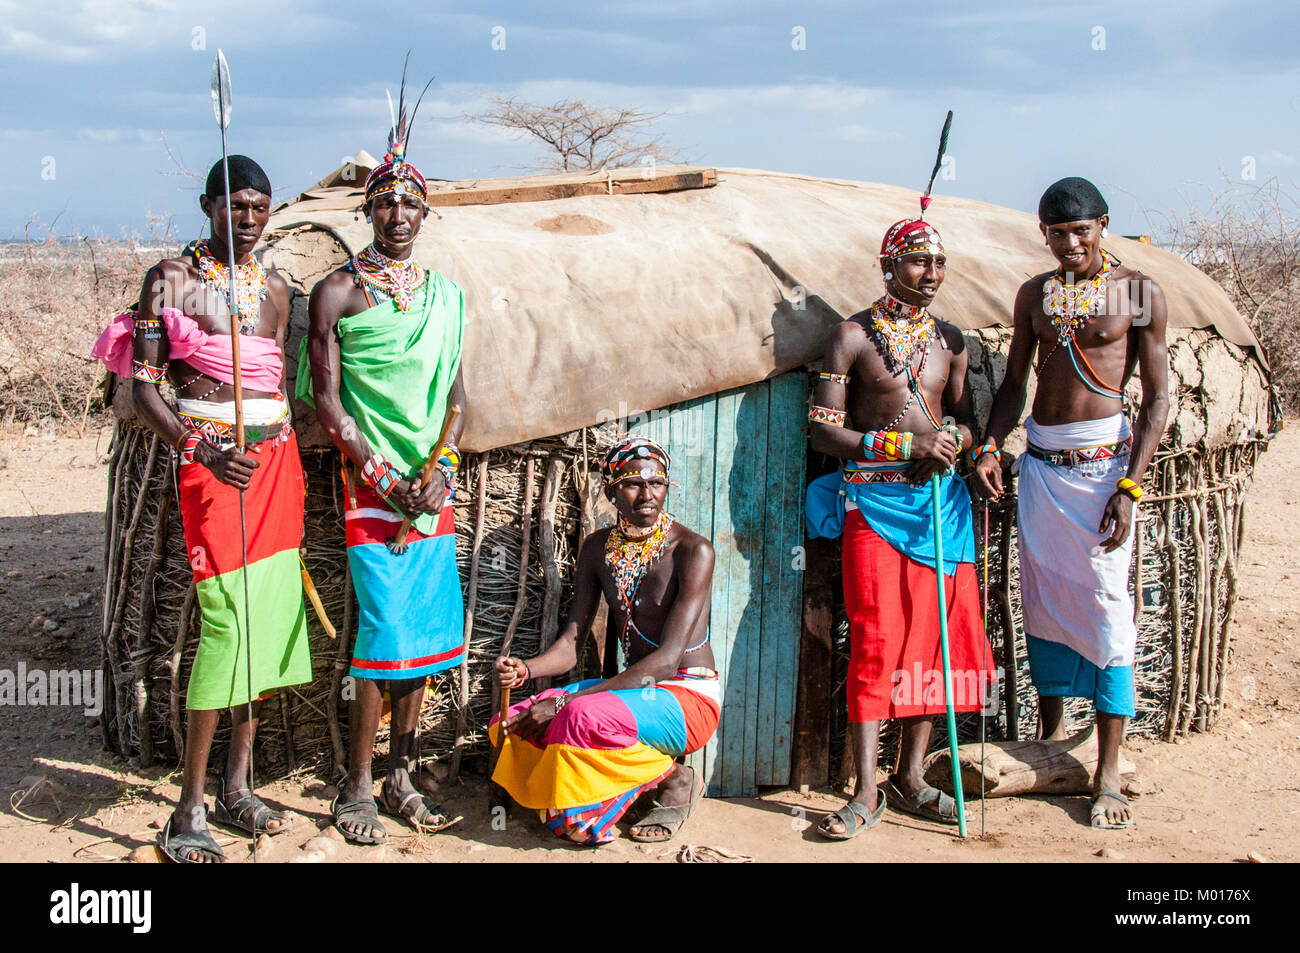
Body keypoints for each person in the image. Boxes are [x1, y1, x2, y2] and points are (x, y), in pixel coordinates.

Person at [92, 156, 311, 863]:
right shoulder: (171, 281)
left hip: (276, 462)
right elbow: (147, 388)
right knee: (223, 618)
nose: (246, 219)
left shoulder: (276, 287)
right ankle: (187, 808)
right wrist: (201, 448)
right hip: (213, 465)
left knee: (263, 614)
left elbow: (283, 374)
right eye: (234, 205)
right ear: (207, 205)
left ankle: (238, 786)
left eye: (258, 207)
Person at [973, 176, 1169, 829]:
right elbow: (1015, 383)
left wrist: (1130, 485)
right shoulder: (1035, 294)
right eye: (1057, 233)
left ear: (1103, 225)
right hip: (1043, 471)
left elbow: (1159, 400)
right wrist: (991, 446)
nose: (1070, 244)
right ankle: (1049, 743)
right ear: (1044, 234)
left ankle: (1109, 772)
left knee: (1110, 612)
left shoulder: (1139, 293)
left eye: (1080, 231)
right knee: (1047, 603)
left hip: (1104, 471)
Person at [304, 89, 467, 845]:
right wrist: (382, 476)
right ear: (366, 211)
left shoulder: (447, 297)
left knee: (427, 637)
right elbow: (329, 408)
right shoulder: (337, 292)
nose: (397, 214)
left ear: (425, 214)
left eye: (410, 203)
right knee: (383, 636)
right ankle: (356, 785)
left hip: (431, 490)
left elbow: (460, 402)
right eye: (384, 203)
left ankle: (402, 773)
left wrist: (439, 468)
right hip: (372, 489)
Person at [805, 215, 995, 839]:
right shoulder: (851, 338)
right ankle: (865, 792)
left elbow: (969, 424)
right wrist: (905, 445)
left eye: (938, 264)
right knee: (876, 643)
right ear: (887, 265)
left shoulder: (951, 340)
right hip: (873, 505)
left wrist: (961, 442)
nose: (931, 274)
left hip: (941, 509)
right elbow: (823, 430)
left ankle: (910, 779)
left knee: (933, 646)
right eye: (917, 261)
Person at [490, 436, 721, 846]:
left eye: (658, 484)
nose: (648, 495)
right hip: (633, 693)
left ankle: (668, 780)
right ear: (611, 490)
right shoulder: (598, 549)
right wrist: (527, 669)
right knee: (513, 720)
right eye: (633, 484)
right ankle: (654, 780)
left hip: (688, 697)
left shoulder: (693, 551)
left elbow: (667, 663)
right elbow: (569, 646)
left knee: (576, 716)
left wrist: (563, 700)